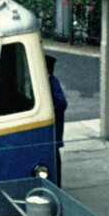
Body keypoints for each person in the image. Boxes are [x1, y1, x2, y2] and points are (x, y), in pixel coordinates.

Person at [45, 53, 67, 184]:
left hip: (55, 126)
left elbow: (62, 103)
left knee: (54, 154)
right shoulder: (50, 82)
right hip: (55, 126)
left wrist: (50, 110)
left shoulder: (53, 83)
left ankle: (57, 182)